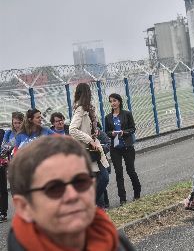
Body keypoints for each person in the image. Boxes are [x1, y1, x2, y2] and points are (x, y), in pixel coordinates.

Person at [7, 135, 135, 251]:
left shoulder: (117, 243)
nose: (73, 195)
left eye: (81, 182)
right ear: (24, 207)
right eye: (54, 188)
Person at [69, 83, 109, 209]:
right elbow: (72, 129)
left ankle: (94, 206)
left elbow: (89, 126)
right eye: (89, 92)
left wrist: (94, 131)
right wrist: (89, 139)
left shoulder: (89, 108)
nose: (90, 94)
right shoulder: (80, 109)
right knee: (102, 177)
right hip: (87, 149)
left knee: (103, 177)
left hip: (95, 148)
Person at [105, 93, 141, 206]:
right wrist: (113, 133)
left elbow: (133, 128)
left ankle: (137, 193)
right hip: (115, 148)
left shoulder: (127, 114)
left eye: (114, 100)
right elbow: (106, 132)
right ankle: (122, 199)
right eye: (111, 101)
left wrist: (123, 132)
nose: (113, 103)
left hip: (127, 146)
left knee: (131, 171)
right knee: (118, 173)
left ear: (119, 102)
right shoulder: (108, 117)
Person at [0, 112, 24, 223]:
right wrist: (13, 142)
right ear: (12, 123)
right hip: (13, 166)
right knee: (15, 191)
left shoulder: (27, 133)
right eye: (15, 123)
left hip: (26, 165)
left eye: (19, 122)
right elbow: (3, 150)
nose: (17, 125)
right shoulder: (9, 133)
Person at [0, 128, 7, 222]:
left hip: (1, 165)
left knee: (2, 189)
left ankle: (3, 213)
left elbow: (6, 148)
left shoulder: (2, 132)